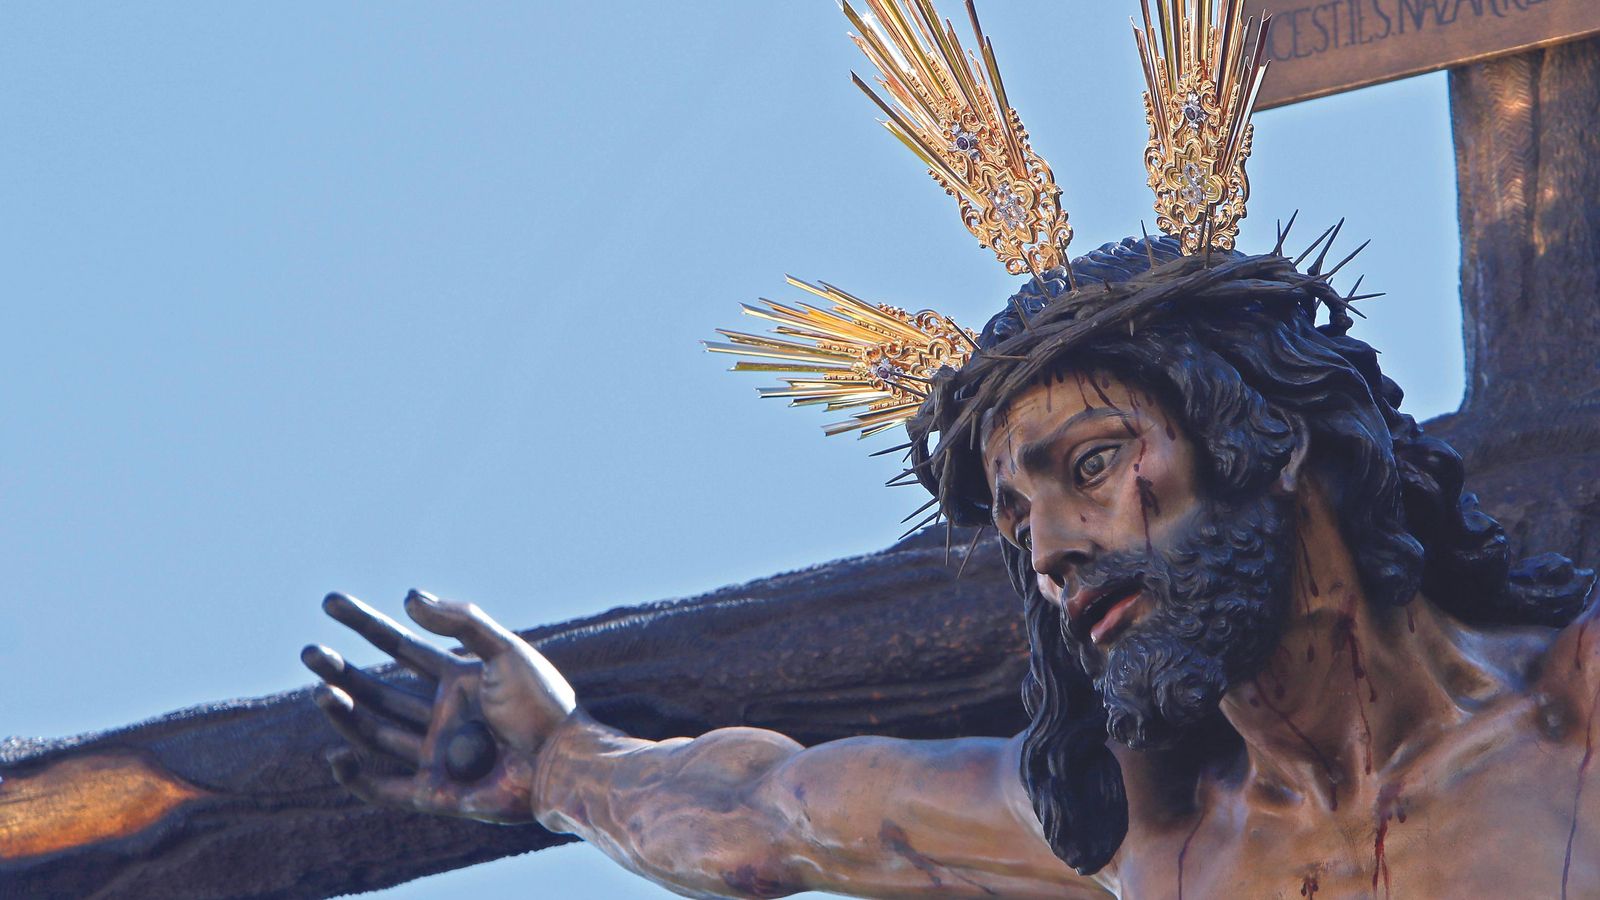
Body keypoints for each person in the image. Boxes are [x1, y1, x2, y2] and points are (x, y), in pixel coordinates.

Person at [305, 234, 1595, 898]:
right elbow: (773, 813)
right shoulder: (1160, 849)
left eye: (1092, 465)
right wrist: (558, 768)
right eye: (1019, 520)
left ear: (1270, 439)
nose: (1055, 551)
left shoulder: (1577, 719)